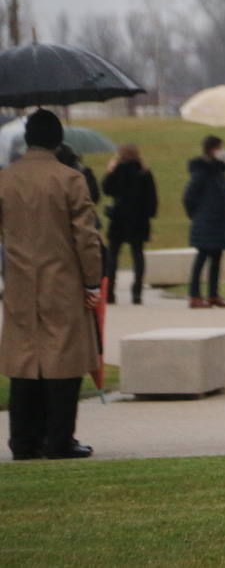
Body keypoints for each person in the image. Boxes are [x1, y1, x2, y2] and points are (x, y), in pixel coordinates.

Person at [0, 111, 105, 460]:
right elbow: (86, 238)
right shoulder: (70, 179)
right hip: (62, 282)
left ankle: (24, 441)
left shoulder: (6, 178)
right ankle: (59, 440)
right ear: (58, 139)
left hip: (18, 283)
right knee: (64, 362)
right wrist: (92, 282)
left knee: (24, 363)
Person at [183, 135, 225, 309]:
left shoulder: (219, 171)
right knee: (202, 257)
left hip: (219, 219)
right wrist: (195, 214)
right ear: (212, 149)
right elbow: (188, 196)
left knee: (216, 258)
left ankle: (213, 294)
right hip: (205, 219)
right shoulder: (202, 171)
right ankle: (194, 295)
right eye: (220, 148)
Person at [102, 144, 158, 305]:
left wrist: (110, 172)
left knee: (112, 256)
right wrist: (149, 216)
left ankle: (110, 292)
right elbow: (152, 198)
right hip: (139, 219)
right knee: (138, 255)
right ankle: (137, 293)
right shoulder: (144, 172)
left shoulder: (118, 170)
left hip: (119, 218)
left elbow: (107, 189)